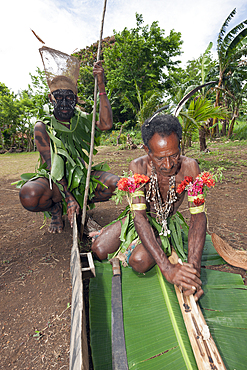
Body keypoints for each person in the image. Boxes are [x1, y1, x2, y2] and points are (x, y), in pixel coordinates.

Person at [90, 114, 207, 301]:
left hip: (166, 223)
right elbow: (139, 217)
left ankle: (162, 241)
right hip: (139, 218)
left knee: (139, 261)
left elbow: (198, 218)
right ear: (147, 150)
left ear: (180, 145)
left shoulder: (190, 167)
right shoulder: (138, 166)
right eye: (160, 158)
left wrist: (192, 273)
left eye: (174, 155)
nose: (168, 165)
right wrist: (167, 268)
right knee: (98, 250)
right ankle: (123, 235)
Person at [19, 46, 119, 233]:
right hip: (55, 184)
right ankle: (55, 208)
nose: (64, 103)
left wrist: (102, 85)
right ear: (51, 98)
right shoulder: (42, 127)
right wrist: (68, 197)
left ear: (76, 98)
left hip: (82, 178)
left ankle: (80, 203)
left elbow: (105, 124)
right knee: (29, 194)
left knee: (116, 185)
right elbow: (52, 167)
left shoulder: (81, 120)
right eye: (59, 98)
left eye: (69, 97)